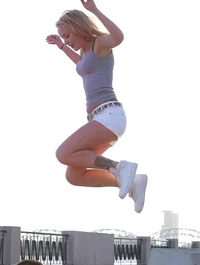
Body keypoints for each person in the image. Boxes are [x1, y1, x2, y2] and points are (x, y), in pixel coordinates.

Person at [46, 0, 147, 213]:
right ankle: (131, 182)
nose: (67, 40)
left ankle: (119, 167)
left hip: (109, 115)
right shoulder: (85, 54)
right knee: (74, 175)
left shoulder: (99, 44)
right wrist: (62, 47)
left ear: (78, 28)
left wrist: (94, 10)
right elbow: (81, 65)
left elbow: (118, 38)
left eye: (68, 36)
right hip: (101, 119)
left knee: (62, 153)